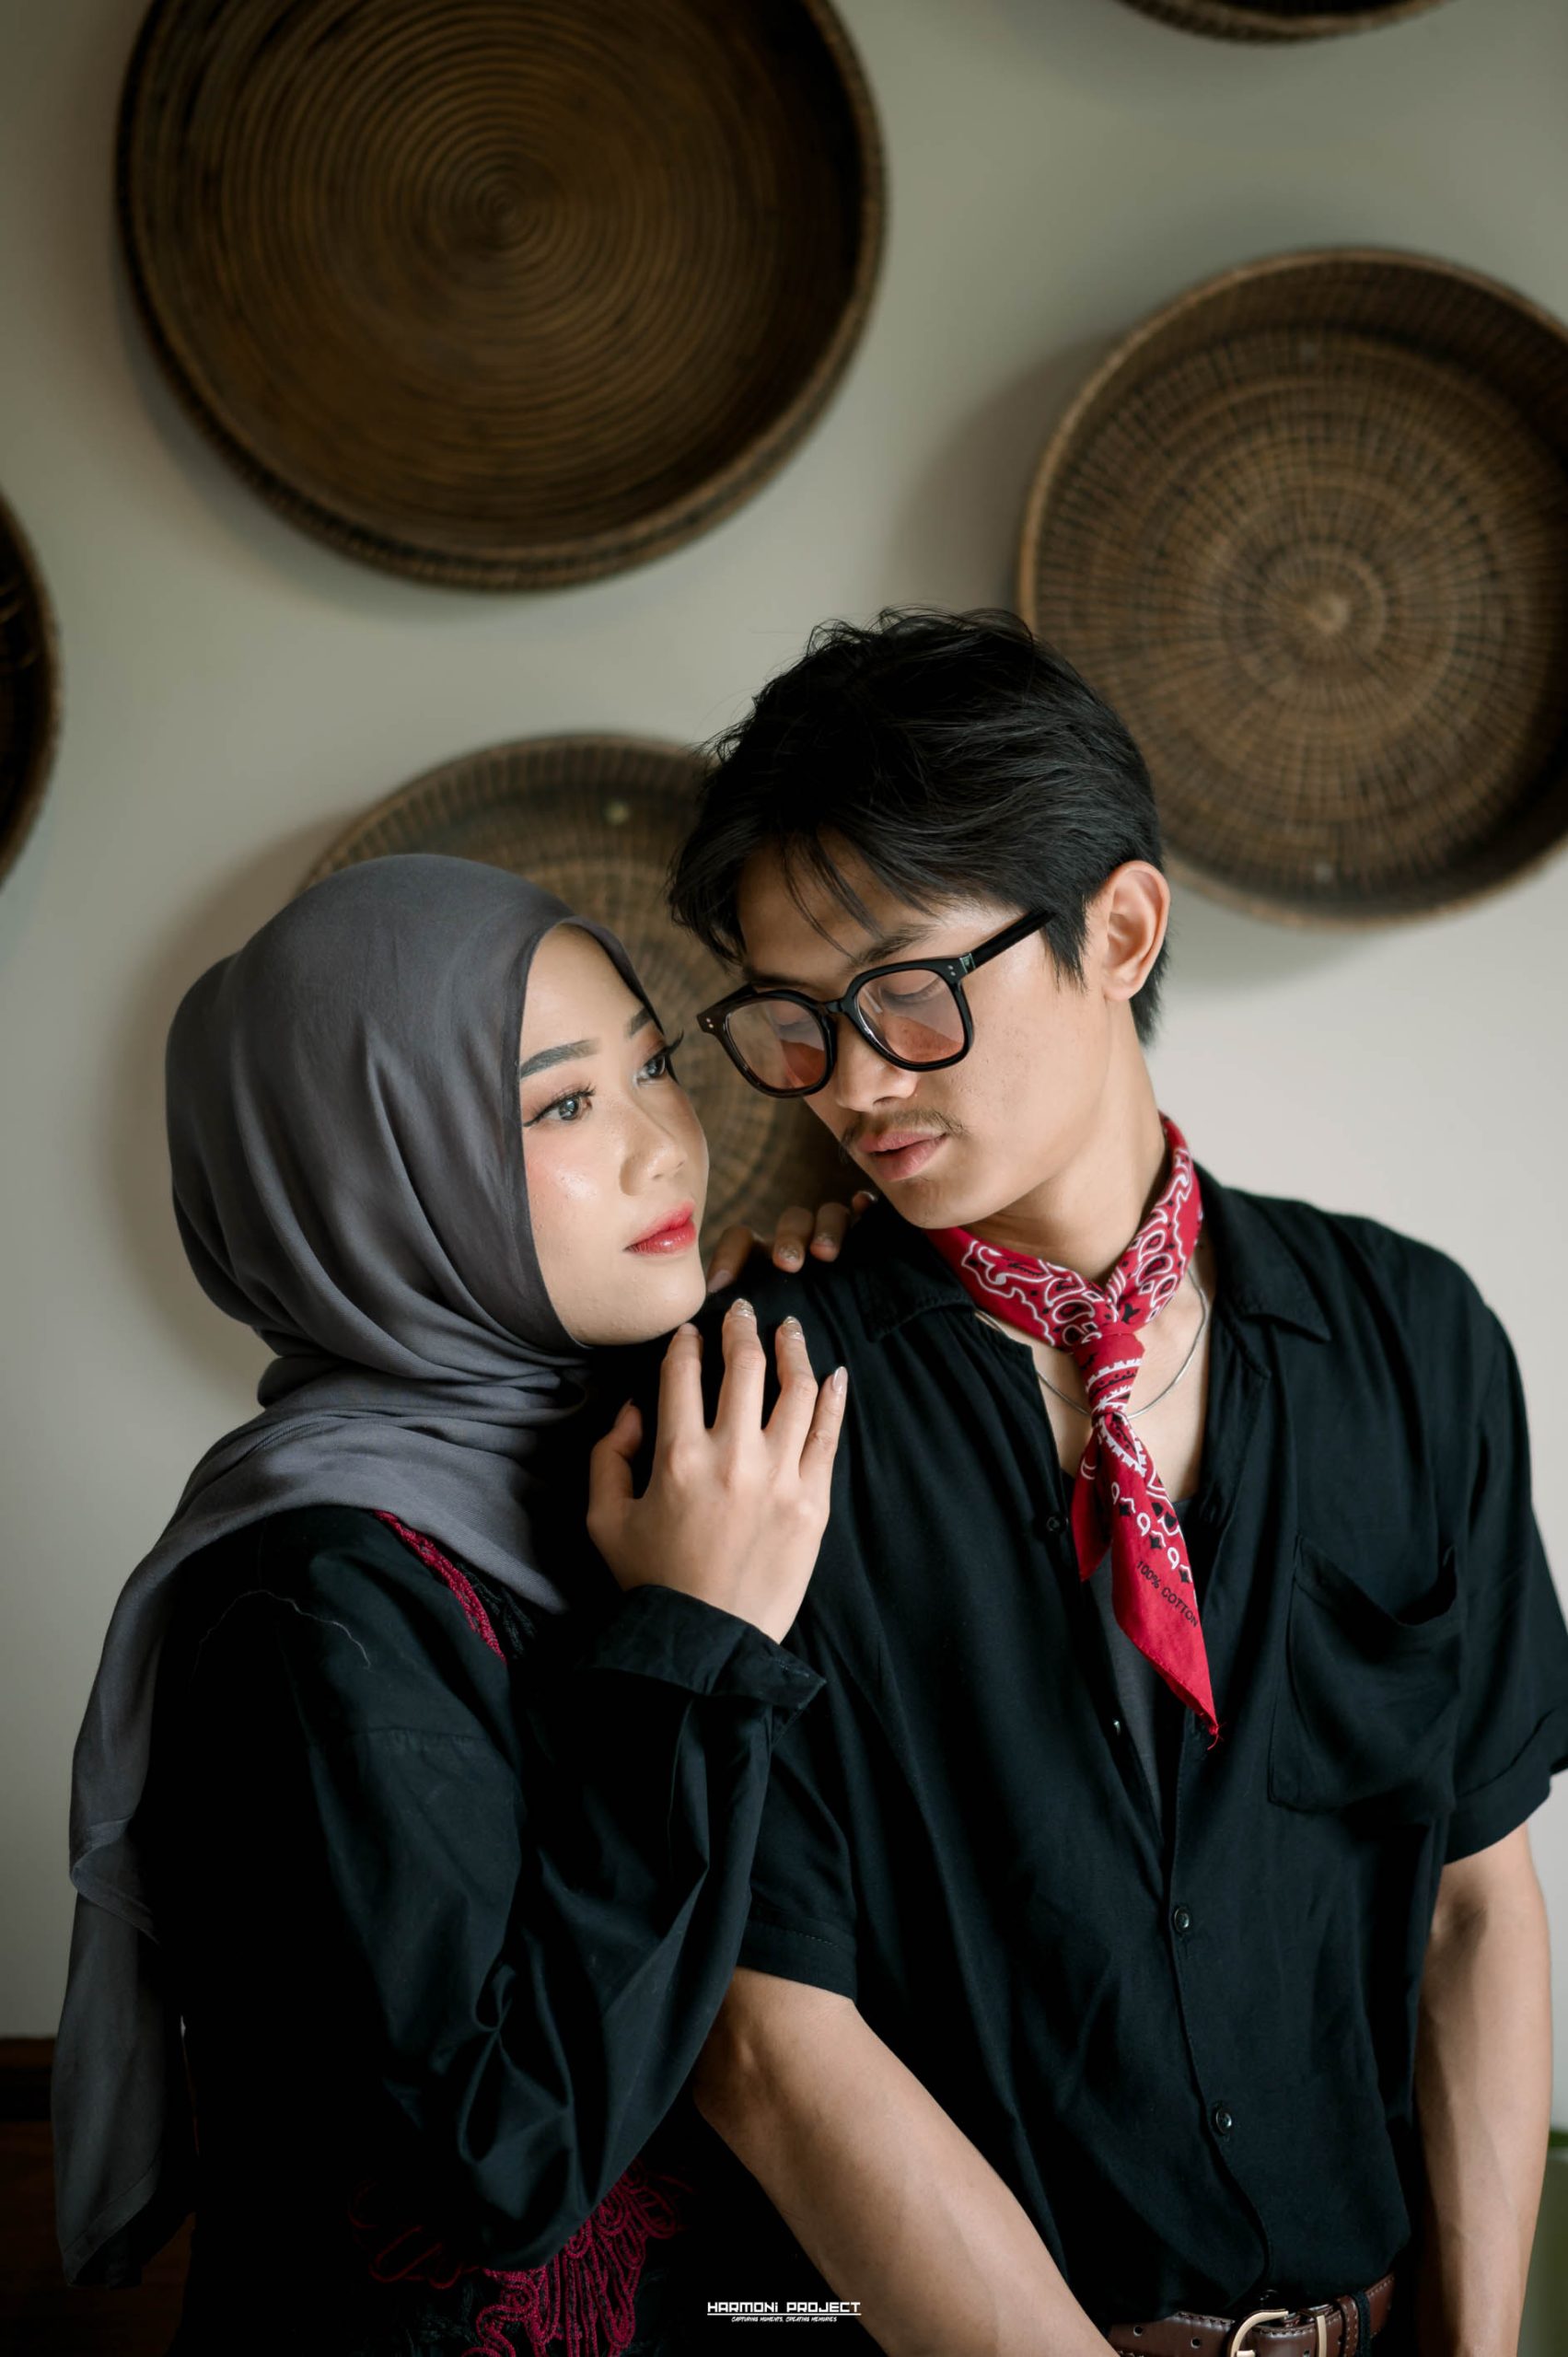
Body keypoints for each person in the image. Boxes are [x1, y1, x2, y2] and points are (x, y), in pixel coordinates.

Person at [615, 608, 1568, 2355]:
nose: (854, 1086)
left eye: (908, 991)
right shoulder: (759, 1408)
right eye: (795, 1021)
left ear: (1118, 931)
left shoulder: (1415, 1340)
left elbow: (1476, 1903)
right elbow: (765, 2041)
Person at [51, 851, 856, 2357]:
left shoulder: (635, 1468)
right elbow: (507, 2158)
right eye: (561, 1107)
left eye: (653, 1068)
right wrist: (696, 1643)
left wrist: (791, 1317)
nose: (663, 1147)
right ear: (374, 1181)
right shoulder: (313, 1600)